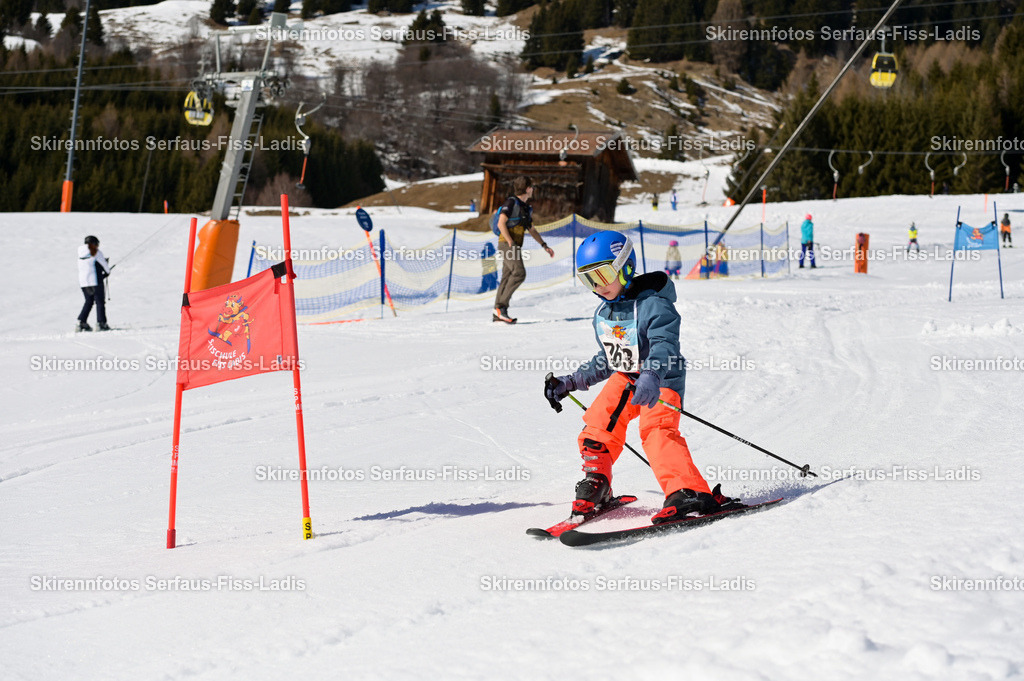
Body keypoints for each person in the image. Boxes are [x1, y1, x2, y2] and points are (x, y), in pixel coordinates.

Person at [544, 231, 733, 523]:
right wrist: (570, 382)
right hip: (626, 376)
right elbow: (608, 359)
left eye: (604, 273)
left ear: (625, 266)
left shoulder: (654, 305)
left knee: (656, 430)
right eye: (588, 279)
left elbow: (665, 346)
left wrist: (652, 374)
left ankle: (689, 492)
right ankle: (598, 484)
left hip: (662, 379)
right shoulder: (604, 312)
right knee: (598, 422)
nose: (598, 285)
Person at [493, 176, 554, 324]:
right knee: (519, 273)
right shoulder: (511, 202)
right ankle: (501, 307)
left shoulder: (525, 208)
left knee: (507, 277)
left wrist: (544, 245)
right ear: (527, 189)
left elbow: (532, 230)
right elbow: (501, 223)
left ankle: (498, 312)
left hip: (512, 245)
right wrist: (510, 242)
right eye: (531, 187)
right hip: (508, 244)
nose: (533, 189)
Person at [77, 235, 111, 331]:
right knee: (100, 302)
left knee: (89, 302)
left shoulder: (80, 254)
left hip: (84, 283)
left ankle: (81, 322)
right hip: (95, 281)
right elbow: (104, 265)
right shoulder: (95, 252)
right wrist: (107, 272)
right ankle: (101, 323)